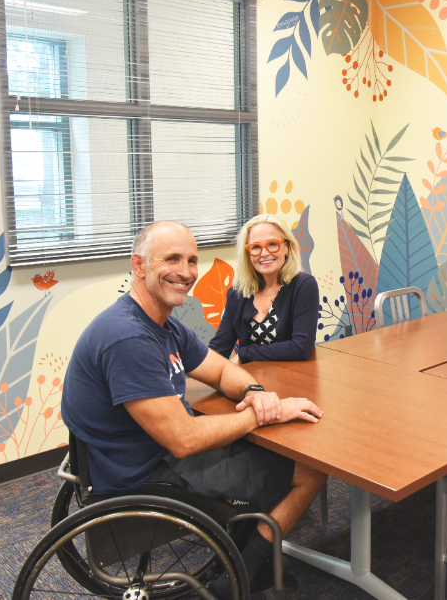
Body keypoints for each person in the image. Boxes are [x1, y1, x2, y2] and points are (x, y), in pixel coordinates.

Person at [61, 220, 327, 597]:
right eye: (171, 259)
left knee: (268, 447)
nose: (186, 272)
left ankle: (243, 559)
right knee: (309, 469)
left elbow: (218, 368)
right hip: (146, 470)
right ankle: (240, 578)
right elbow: (184, 439)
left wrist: (253, 390)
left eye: (191, 260)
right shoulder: (128, 337)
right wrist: (263, 413)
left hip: (148, 450)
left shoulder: (162, 324)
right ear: (138, 265)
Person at [210, 214, 319, 364]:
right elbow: (219, 347)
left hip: (293, 375)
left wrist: (244, 354)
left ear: (286, 247)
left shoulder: (303, 285)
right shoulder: (238, 293)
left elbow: (300, 348)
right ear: (248, 254)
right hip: (250, 377)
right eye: (256, 247)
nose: (264, 253)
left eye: (272, 244)